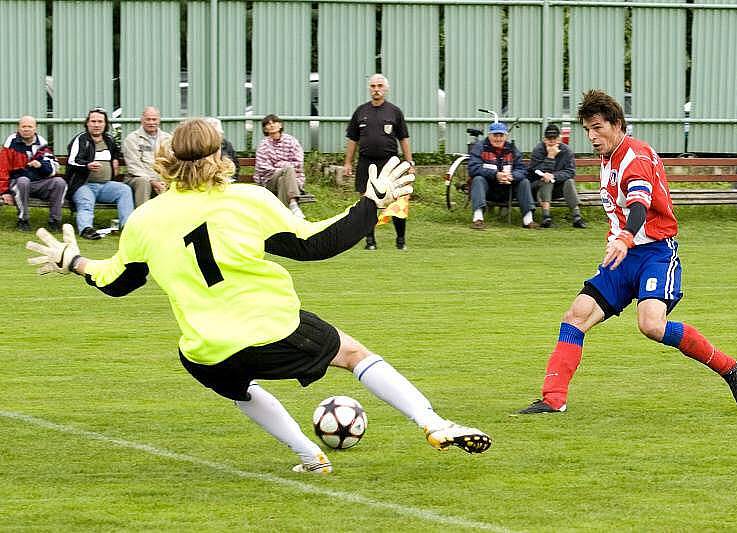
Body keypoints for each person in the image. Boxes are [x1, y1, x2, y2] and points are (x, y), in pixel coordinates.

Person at [25, 118, 491, 474]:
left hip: (203, 351)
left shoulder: (146, 219)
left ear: (168, 161)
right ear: (221, 156)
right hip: (271, 329)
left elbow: (119, 281)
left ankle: (311, 458)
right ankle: (434, 423)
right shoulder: (247, 199)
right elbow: (315, 245)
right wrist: (372, 203)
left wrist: (76, 262)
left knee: (242, 389)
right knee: (353, 354)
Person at [516, 90, 737, 415]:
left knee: (651, 325)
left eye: (597, 127)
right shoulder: (609, 157)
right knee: (575, 316)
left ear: (615, 123)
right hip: (622, 257)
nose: (592, 136)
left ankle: (730, 368)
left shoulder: (634, 157)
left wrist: (625, 236)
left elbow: (639, 206)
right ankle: (553, 399)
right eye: (587, 129)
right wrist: (620, 242)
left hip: (655, 253)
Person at [343, 73, 415, 250]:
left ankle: (400, 241)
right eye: (373, 86)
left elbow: (404, 138)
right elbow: (352, 139)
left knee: (396, 201)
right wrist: (348, 163)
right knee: (367, 203)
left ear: (386, 89)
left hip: (390, 164)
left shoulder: (394, 112)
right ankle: (370, 241)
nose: (376, 89)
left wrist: (409, 163)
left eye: (380, 86)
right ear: (370, 89)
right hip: (366, 164)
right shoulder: (360, 112)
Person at [65, 108, 134, 240]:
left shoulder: (109, 139)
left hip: (105, 186)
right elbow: (72, 161)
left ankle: (127, 228)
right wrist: (87, 165)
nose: (96, 125)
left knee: (125, 190)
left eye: (100, 121)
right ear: (87, 123)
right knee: (86, 202)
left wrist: (115, 159)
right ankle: (86, 229)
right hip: (83, 185)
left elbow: (115, 153)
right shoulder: (81, 139)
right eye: (93, 121)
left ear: (105, 124)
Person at [467, 121, 535, 229]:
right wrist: (495, 175)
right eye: (495, 135)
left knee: (524, 182)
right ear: (489, 135)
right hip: (488, 189)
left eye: (501, 135)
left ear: (506, 136)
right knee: (478, 179)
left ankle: (528, 220)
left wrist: (512, 176)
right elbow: (473, 168)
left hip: (508, 188)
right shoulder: (479, 147)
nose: (498, 139)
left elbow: (522, 169)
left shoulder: (512, 148)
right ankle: (478, 219)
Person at [1, 116, 65, 231]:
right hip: (18, 184)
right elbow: (3, 168)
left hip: (39, 183)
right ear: (18, 128)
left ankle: (55, 221)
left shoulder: (42, 144)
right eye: (23, 126)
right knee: (23, 180)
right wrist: (4, 192)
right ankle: (23, 220)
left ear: (35, 128)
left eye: (29, 126)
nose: (26, 129)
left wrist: (40, 165)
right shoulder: (11, 142)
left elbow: (54, 169)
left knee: (59, 182)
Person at [528, 123, 587, 229]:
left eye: (554, 138)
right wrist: (550, 156)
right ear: (544, 139)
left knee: (569, 182)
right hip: (538, 189)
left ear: (559, 138)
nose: (551, 140)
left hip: (558, 188)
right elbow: (533, 170)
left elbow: (570, 172)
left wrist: (553, 176)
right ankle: (546, 216)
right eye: (549, 138)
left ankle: (577, 217)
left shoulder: (566, 151)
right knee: (547, 181)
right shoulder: (538, 150)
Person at [254, 114, 306, 218]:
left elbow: (299, 162)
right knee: (287, 170)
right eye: (268, 124)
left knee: (283, 179)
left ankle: (283, 215)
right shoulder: (263, 145)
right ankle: (293, 204)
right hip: (270, 180)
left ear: (280, 125)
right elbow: (262, 167)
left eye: (274, 122)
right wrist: (282, 168)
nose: (272, 125)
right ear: (265, 129)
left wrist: (282, 167)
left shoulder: (291, 141)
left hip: (293, 180)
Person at [121, 106, 172, 207]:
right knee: (143, 182)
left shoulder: (168, 138)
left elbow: (171, 162)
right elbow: (134, 167)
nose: (151, 122)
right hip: (136, 179)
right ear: (142, 120)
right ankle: (140, 218)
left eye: (154, 119)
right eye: (148, 119)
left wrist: (164, 180)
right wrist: (152, 181)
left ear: (159, 120)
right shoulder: (132, 139)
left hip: (162, 179)